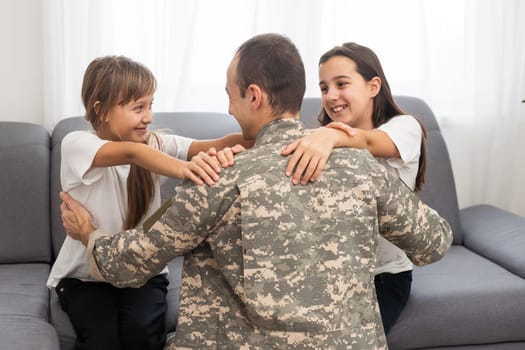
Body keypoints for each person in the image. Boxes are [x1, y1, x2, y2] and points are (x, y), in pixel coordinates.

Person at [60, 34, 452, 349]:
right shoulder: (362, 165)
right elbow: (434, 243)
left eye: (230, 95)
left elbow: (127, 264)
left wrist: (88, 234)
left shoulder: (216, 176)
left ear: (253, 95)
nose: (229, 108)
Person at [47, 55, 250, 350]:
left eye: (150, 105)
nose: (149, 117)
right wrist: (184, 168)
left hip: (142, 273)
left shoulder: (155, 144)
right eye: (138, 107)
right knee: (103, 341)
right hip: (84, 278)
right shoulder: (77, 144)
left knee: (141, 334)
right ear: (101, 110)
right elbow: (131, 153)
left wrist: (254, 137)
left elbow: (210, 145)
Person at [281, 42, 427, 334]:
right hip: (328, 276)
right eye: (324, 88)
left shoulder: (404, 127)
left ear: (373, 86)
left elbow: (371, 143)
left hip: (382, 277)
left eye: (341, 84)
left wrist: (331, 137)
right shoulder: (318, 139)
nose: (331, 96)